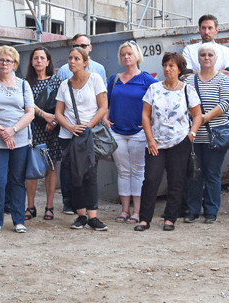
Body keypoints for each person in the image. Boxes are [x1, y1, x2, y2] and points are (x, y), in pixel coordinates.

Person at [136, 52, 201, 231]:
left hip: (180, 142)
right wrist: (150, 140)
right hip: (156, 142)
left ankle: (170, 218)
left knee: (177, 180)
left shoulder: (188, 90)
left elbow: (197, 115)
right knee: (151, 179)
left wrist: (191, 135)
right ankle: (144, 219)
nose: (167, 69)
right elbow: (145, 115)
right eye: (165, 65)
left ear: (180, 69)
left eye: (171, 66)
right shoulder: (154, 89)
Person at [0, 45, 35, 233]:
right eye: (1, 60)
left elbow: (30, 112)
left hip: (19, 138)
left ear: (15, 64)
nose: (5, 63)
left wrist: (13, 130)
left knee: (17, 180)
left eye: (9, 60)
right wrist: (3, 132)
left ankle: (19, 220)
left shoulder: (23, 84)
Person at [55, 46, 109, 231]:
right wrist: (69, 127)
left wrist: (88, 126)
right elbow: (59, 113)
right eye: (70, 58)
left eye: (77, 58)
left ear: (85, 62)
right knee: (73, 176)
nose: (72, 62)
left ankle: (93, 216)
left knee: (90, 174)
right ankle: (81, 215)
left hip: (88, 135)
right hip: (68, 136)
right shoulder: (64, 85)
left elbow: (103, 107)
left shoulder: (95, 79)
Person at [106, 41, 156, 223]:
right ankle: (124, 210)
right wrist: (105, 117)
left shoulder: (147, 79)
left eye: (129, 54)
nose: (126, 57)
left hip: (138, 132)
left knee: (138, 170)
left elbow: (157, 102)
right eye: (123, 54)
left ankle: (137, 211)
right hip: (117, 131)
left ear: (137, 56)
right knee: (123, 170)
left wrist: (151, 122)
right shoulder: (115, 79)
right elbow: (105, 102)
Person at [186, 43, 229, 223]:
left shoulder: (223, 79)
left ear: (215, 59)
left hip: (215, 135)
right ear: (198, 59)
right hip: (194, 136)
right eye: (203, 55)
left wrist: (205, 117)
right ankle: (192, 210)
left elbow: (228, 101)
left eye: (210, 55)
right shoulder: (189, 81)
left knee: (212, 173)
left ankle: (211, 210)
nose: (206, 58)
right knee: (194, 173)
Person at [26, 47, 62, 221]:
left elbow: (62, 104)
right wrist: (44, 116)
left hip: (52, 130)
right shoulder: (26, 83)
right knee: (32, 167)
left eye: (42, 58)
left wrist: (53, 121)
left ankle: (49, 206)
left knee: (51, 167)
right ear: (31, 62)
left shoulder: (57, 81)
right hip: (32, 128)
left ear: (48, 62)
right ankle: (30, 206)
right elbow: (26, 105)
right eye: (35, 58)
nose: (39, 61)